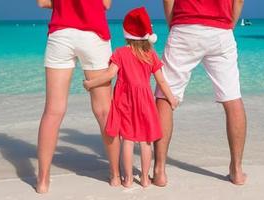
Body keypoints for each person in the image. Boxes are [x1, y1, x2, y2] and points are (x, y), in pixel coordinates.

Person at [153, 0, 248, 186]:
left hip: (185, 26)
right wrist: (229, 24)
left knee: (165, 96)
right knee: (232, 98)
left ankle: (159, 171)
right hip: (221, 30)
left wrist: (174, 23)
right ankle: (236, 170)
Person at [83, 7, 179, 188]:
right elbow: (162, 81)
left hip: (125, 102)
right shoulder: (150, 54)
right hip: (145, 103)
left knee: (127, 139)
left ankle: (127, 179)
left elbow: (110, 75)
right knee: (145, 141)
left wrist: (91, 83)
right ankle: (144, 179)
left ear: (127, 33)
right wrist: (171, 99)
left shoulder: (120, 53)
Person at [35, 0, 120, 194]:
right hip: (93, 34)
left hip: (61, 34)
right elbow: (105, 4)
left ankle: (43, 180)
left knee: (53, 111)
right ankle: (115, 175)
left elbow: (42, 3)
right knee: (104, 110)